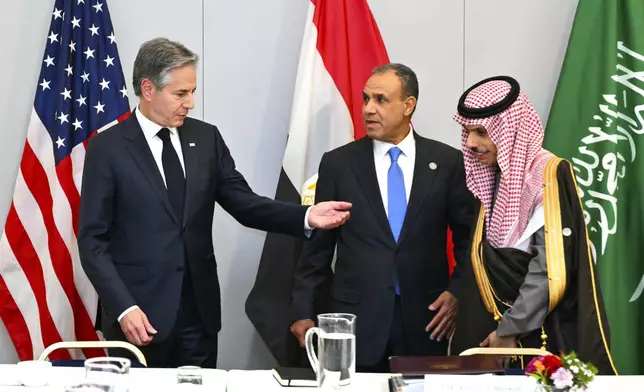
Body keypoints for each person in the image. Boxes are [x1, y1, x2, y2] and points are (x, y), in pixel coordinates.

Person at [77, 37, 351, 368]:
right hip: (138, 317)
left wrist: (307, 216)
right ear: (148, 89)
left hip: (199, 316)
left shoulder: (206, 139)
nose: (190, 102)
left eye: (192, 91)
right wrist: (123, 307)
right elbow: (93, 242)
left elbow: (245, 204)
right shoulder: (107, 149)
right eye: (181, 93)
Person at [289, 63, 475, 372]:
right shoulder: (339, 163)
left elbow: (469, 241)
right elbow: (318, 247)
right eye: (365, 99)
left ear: (408, 105)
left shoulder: (446, 162)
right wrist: (301, 311)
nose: (368, 109)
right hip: (357, 324)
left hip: (426, 320)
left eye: (380, 99)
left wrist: (458, 292)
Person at [450, 76, 616, 374]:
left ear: (510, 132)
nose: (471, 143)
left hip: (532, 333)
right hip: (490, 331)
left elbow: (549, 268)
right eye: (466, 132)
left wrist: (509, 330)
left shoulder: (547, 175)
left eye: (480, 132)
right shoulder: (490, 177)